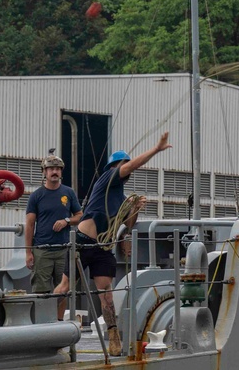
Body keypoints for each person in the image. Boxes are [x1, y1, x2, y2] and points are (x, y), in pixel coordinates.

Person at [72, 131, 172, 356]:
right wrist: (156, 150)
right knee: (64, 287)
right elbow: (131, 166)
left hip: (103, 247)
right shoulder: (107, 179)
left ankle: (113, 335)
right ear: (114, 167)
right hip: (82, 242)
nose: (125, 169)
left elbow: (126, 224)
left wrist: (135, 208)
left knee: (105, 293)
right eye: (122, 165)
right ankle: (55, 330)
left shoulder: (121, 197)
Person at [25, 153, 82, 319]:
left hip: (64, 249)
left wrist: (66, 221)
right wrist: (28, 252)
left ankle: (57, 323)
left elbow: (79, 215)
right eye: (51, 169)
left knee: (63, 289)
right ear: (44, 172)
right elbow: (29, 225)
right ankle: (43, 325)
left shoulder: (68, 193)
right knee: (41, 290)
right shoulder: (36, 196)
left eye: (57, 169)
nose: (54, 172)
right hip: (42, 249)